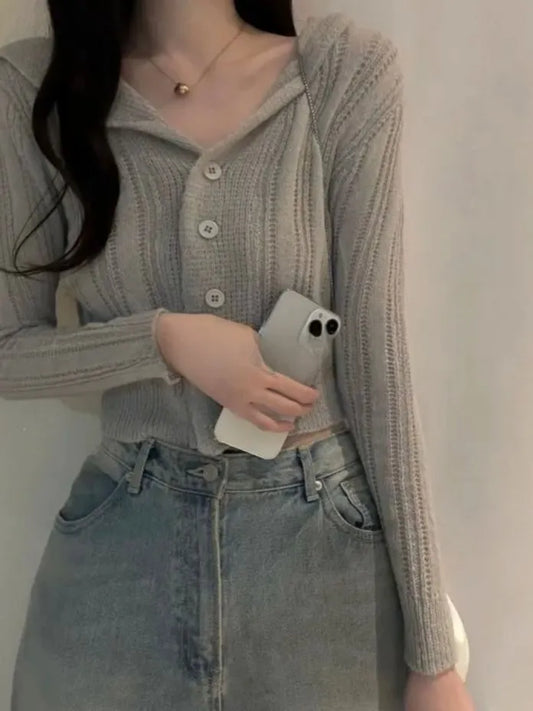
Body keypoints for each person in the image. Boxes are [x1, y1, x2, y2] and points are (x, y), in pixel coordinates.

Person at [0, 1, 474, 709]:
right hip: (121, 552)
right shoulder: (37, 87)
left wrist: (432, 657)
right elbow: (9, 349)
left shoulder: (341, 72)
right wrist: (163, 340)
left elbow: (379, 361)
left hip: (321, 552)